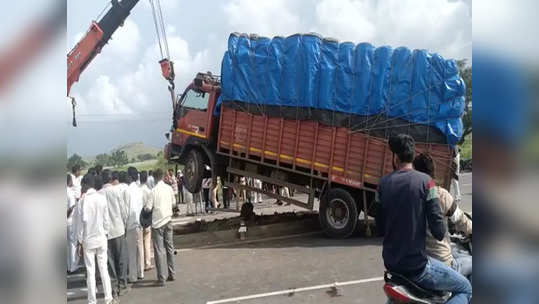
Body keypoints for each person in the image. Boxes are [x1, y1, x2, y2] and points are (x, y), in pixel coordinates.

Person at [375, 134, 471, 304]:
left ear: (395, 158)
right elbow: (439, 232)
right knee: (465, 288)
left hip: (392, 268)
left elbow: (380, 227)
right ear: (411, 156)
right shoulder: (427, 184)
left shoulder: (382, 185)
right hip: (418, 269)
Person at [413, 153, 473, 279]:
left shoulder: (410, 196)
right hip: (441, 263)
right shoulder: (440, 195)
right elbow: (460, 220)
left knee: (456, 252)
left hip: (416, 261)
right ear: (433, 171)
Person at [76, 174, 114, 304]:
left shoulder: (82, 201)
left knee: (90, 272)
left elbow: (80, 226)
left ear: (85, 185)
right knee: (104, 269)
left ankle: (92, 300)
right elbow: (106, 220)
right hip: (101, 238)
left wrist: (79, 242)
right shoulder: (102, 198)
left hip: (88, 240)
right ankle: (108, 298)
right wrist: (106, 233)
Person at [144, 169, 176, 286]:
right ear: (162, 177)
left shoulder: (153, 191)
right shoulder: (169, 189)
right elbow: (174, 203)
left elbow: (148, 208)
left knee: (159, 251)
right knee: (169, 248)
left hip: (157, 223)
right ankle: (172, 273)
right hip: (168, 221)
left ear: (154, 178)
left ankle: (161, 278)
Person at [101, 170, 129, 298]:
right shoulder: (116, 191)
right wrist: (125, 224)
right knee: (121, 259)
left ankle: (113, 286)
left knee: (110, 262)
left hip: (106, 233)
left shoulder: (99, 194)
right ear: (111, 179)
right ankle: (122, 285)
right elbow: (124, 211)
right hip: (118, 229)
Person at [125, 167, 144, 282]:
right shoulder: (138, 189)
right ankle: (140, 272)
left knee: (131, 252)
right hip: (139, 223)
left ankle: (132, 276)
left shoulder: (128, 190)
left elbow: (129, 209)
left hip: (131, 224)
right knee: (139, 249)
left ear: (129, 176)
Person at [139, 171, 154, 270]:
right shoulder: (149, 191)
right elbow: (150, 206)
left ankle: (141, 264)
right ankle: (147, 263)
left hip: (138, 218)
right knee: (147, 242)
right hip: (147, 218)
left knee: (140, 244)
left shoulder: (137, 190)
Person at [67, 174, 80, 273]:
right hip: (70, 220)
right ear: (69, 181)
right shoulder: (70, 192)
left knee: (67, 245)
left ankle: (68, 266)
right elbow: (71, 207)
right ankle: (73, 266)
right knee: (72, 244)